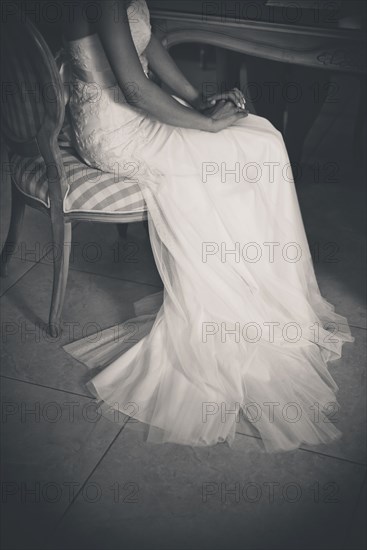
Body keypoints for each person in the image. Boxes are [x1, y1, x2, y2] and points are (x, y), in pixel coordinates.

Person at [62, 0, 353, 451]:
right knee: (236, 150)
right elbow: (135, 89)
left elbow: (152, 47)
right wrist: (203, 124)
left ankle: (263, 286)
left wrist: (200, 101)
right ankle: (234, 300)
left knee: (261, 136)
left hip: (135, 106)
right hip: (113, 126)